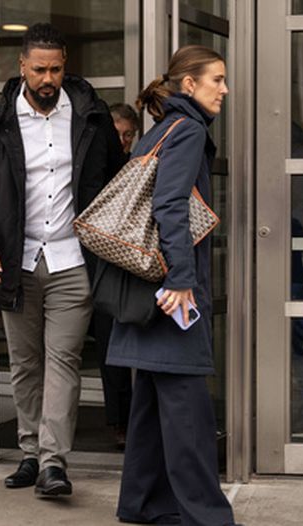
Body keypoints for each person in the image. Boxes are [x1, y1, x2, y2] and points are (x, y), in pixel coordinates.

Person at [0, 23, 124, 498]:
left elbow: (116, 181)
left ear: (65, 65)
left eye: (55, 69)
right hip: (17, 260)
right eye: (39, 70)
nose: (48, 78)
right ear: (22, 67)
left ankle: (54, 461)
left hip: (74, 260)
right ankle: (31, 452)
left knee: (64, 359)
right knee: (25, 363)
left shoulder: (92, 118)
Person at [106, 45, 241, 526]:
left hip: (148, 290)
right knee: (188, 414)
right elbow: (169, 206)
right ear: (190, 85)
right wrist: (182, 279)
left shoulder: (160, 131)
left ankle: (141, 503)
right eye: (217, 80)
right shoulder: (186, 133)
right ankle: (206, 516)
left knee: (150, 404)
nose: (225, 89)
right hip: (171, 291)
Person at [91, 101, 141, 450]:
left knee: (122, 345)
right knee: (109, 347)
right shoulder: (91, 168)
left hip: (126, 268)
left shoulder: (135, 168)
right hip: (91, 267)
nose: (122, 141)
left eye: (128, 135)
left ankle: (131, 421)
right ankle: (119, 421)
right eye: (116, 134)